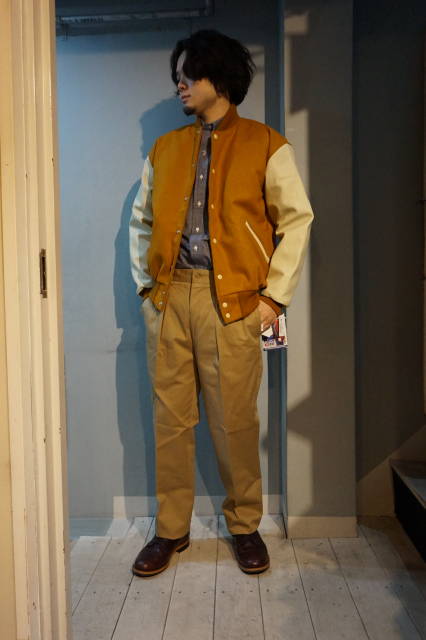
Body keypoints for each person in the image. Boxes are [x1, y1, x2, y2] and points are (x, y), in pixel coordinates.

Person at [129, 29, 314, 577]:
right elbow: (141, 222)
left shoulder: (266, 144)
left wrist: (274, 300)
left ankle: (244, 525)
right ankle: (171, 529)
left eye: (189, 74)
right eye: (177, 77)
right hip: (170, 299)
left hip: (234, 304)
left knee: (235, 421)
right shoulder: (165, 149)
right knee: (170, 421)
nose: (180, 85)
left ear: (219, 75)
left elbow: (297, 220)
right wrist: (147, 291)